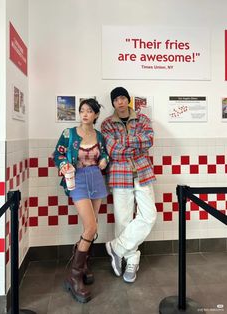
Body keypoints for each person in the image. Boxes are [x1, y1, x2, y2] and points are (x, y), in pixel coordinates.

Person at [53, 98, 109, 303]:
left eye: (89, 111)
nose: (84, 114)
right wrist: (65, 164)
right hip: (77, 180)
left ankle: (83, 264)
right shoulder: (69, 133)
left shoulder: (99, 135)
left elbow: (104, 154)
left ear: (95, 115)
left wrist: (104, 159)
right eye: (82, 110)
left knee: (93, 225)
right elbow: (57, 155)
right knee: (91, 227)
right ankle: (74, 276)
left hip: (97, 178)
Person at [101, 87, 157, 283]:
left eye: (123, 98)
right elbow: (113, 150)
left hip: (143, 172)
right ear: (113, 103)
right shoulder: (107, 124)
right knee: (122, 219)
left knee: (149, 215)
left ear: (128, 100)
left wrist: (124, 143)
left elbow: (149, 140)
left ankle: (116, 247)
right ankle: (131, 260)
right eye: (116, 99)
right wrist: (135, 145)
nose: (120, 102)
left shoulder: (142, 119)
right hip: (119, 175)